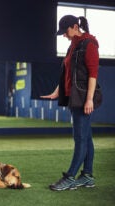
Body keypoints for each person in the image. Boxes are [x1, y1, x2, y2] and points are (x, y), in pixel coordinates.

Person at [41, 15, 100, 191]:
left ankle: (71, 177)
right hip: (73, 97)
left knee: (80, 139)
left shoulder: (89, 44)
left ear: (75, 27)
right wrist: (56, 92)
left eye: (65, 32)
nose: (64, 36)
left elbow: (93, 74)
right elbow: (66, 73)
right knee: (86, 138)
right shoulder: (73, 46)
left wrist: (89, 99)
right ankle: (87, 176)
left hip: (83, 98)